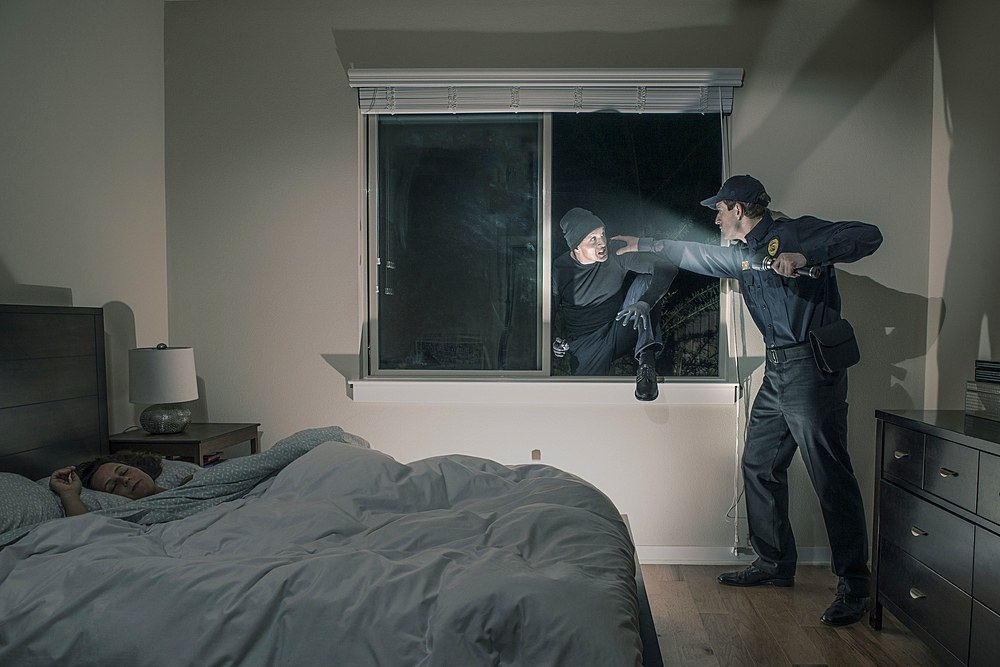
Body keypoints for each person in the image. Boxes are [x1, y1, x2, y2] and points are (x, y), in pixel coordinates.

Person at [614, 175, 882, 626]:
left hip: (812, 368)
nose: (715, 218)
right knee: (759, 464)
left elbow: (867, 235)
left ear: (738, 209)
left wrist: (806, 255)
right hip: (778, 371)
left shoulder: (794, 233)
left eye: (719, 210)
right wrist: (645, 242)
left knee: (830, 475)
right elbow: (696, 254)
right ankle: (774, 564)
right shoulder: (740, 256)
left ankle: (855, 587)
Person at [552, 207, 678, 400]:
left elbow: (666, 267)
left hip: (620, 327)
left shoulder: (615, 251)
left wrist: (645, 302)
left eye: (602, 233)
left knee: (645, 281)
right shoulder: (560, 270)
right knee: (586, 401)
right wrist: (552, 339)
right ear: (576, 247)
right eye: (592, 239)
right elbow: (546, 311)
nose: (602, 242)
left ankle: (646, 365)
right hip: (586, 345)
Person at [48, 450, 192, 517]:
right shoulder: (131, 515)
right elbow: (84, 529)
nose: (125, 480)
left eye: (124, 472)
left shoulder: (192, 482)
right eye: (113, 486)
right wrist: (68, 492)